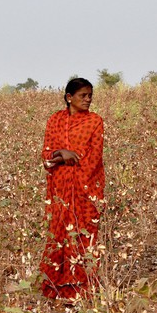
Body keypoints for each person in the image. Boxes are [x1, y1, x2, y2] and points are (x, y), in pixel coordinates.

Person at [40, 78, 105, 300]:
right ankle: (55, 286)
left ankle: (81, 288)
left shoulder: (95, 122)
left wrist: (64, 157)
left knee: (83, 233)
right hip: (59, 187)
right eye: (82, 96)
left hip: (84, 188)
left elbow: (94, 158)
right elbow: (47, 154)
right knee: (58, 232)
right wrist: (62, 153)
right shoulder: (55, 120)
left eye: (90, 96)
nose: (88, 100)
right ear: (69, 98)